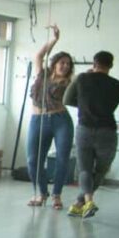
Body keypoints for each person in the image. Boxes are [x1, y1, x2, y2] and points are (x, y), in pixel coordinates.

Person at [63, 51, 119, 218]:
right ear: (111, 65)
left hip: (84, 129)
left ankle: (83, 202)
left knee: (84, 169)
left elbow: (66, 100)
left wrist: (85, 105)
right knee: (100, 171)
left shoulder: (82, 79)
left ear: (94, 63)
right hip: (107, 131)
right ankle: (86, 202)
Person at [25, 25, 75, 210]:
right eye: (62, 63)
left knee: (62, 158)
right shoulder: (42, 74)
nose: (65, 66)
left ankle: (56, 195)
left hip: (60, 120)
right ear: (54, 64)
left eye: (68, 64)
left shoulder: (69, 82)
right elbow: (38, 56)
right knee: (32, 159)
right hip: (38, 120)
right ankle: (41, 193)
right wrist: (54, 40)